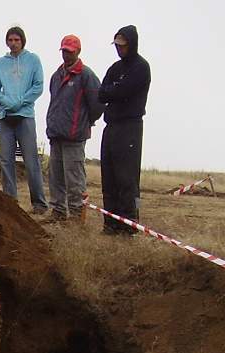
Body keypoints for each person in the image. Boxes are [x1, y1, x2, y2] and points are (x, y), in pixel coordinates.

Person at [98, 25, 151, 235]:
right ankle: (110, 224)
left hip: (130, 127)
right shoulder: (114, 68)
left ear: (132, 44)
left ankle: (130, 225)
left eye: (123, 46)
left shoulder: (141, 67)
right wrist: (114, 92)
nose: (119, 49)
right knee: (108, 178)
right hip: (111, 127)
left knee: (126, 178)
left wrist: (114, 92)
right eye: (117, 46)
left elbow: (123, 91)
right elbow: (102, 93)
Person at [45, 34, 104, 223]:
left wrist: (83, 122)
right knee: (56, 177)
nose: (66, 55)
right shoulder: (56, 76)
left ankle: (77, 216)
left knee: (74, 179)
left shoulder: (86, 75)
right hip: (56, 134)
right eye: (63, 51)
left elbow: (98, 105)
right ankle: (58, 212)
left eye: (69, 51)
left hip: (74, 137)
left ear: (78, 51)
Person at [0, 26, 48, 213]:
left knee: (31, 161)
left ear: (23, 41)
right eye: (10, 40)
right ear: (7, 42)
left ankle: (39, 204)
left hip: (25, 116)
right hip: (5, 117)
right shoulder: (1, 63)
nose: (13, 43)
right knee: (6, 160)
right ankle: (10, 202)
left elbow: (38, 86)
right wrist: (5, 101)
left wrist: (21, 102)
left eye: (17, 39)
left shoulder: (33, 60)